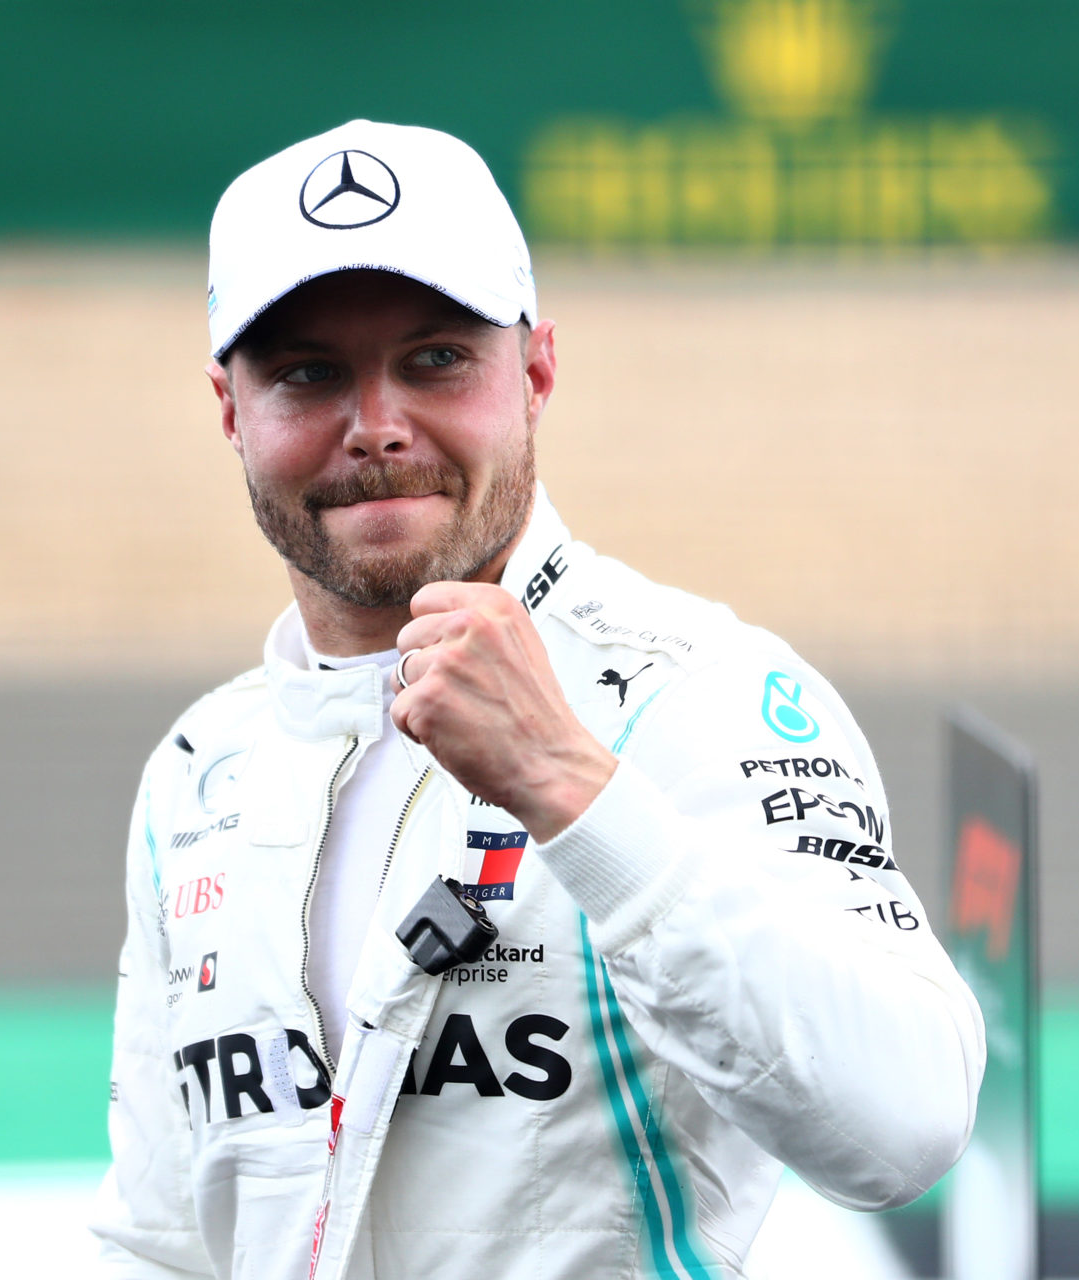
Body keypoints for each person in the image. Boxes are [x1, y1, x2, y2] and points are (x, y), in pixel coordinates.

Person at [90, 119, 984, 1280]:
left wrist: (571, 788)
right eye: (308, 372)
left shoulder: (702, 694)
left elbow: (909, 1123)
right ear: (229, 408)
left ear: (537, 372)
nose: (377, 425)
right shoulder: (202, 765)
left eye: (435, 358)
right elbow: (163, 1241)